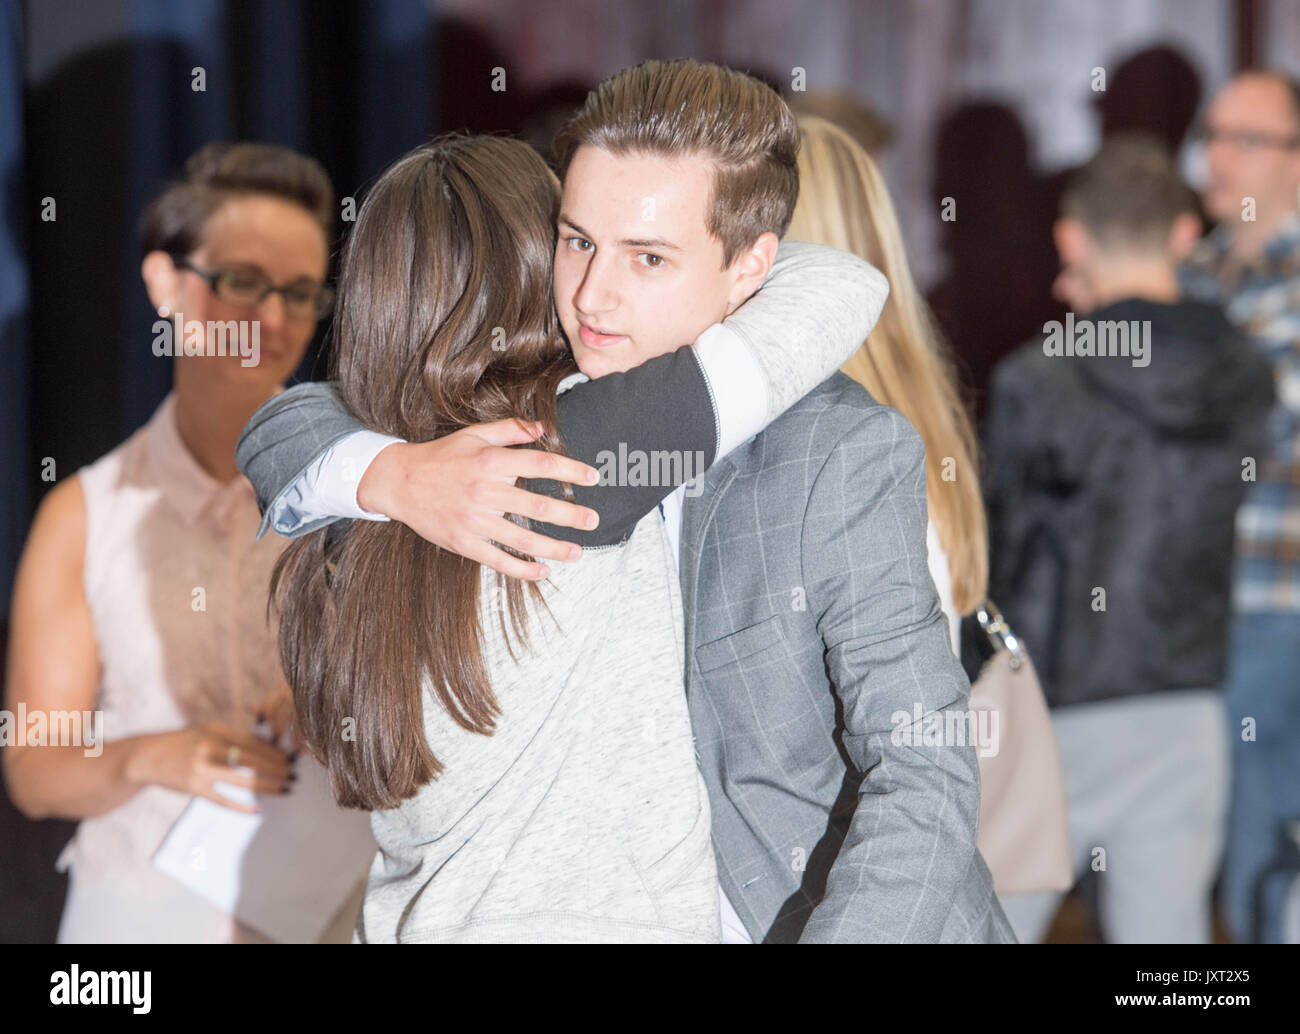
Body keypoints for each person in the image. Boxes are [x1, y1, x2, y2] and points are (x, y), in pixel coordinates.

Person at [239, 59, 1015, 944]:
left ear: (752, 267)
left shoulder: (834, 451)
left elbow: (924, 771)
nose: (593, 297)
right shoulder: (512, 438)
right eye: (577, 242)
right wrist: (390, 474)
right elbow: (297, 416)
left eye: (649, 257)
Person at [2, 142, 374, 943]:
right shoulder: (88, 513)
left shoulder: (362, 481)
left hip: (331, 900)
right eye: (242, 282)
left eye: (301, 293)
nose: (272, 321)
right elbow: (34, 767)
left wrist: (335, 703)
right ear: (166, 283)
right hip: (141, 915)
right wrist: (154, 756)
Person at [985, 134, 1273, 943]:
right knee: (1169, 958)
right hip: (1187, 699)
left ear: (1071, 242)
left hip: (1051, 704)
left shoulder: (1038, 378)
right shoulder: (1246, 374)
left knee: (984, 928)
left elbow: (996, 553)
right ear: (1186, 235)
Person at [1179, 70, 1300, 943]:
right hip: (1205, 605)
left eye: (1246, 140)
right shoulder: (1190, 274)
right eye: (1211, 135)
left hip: (1281, 602)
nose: (1216, 157)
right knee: (1237, 839)